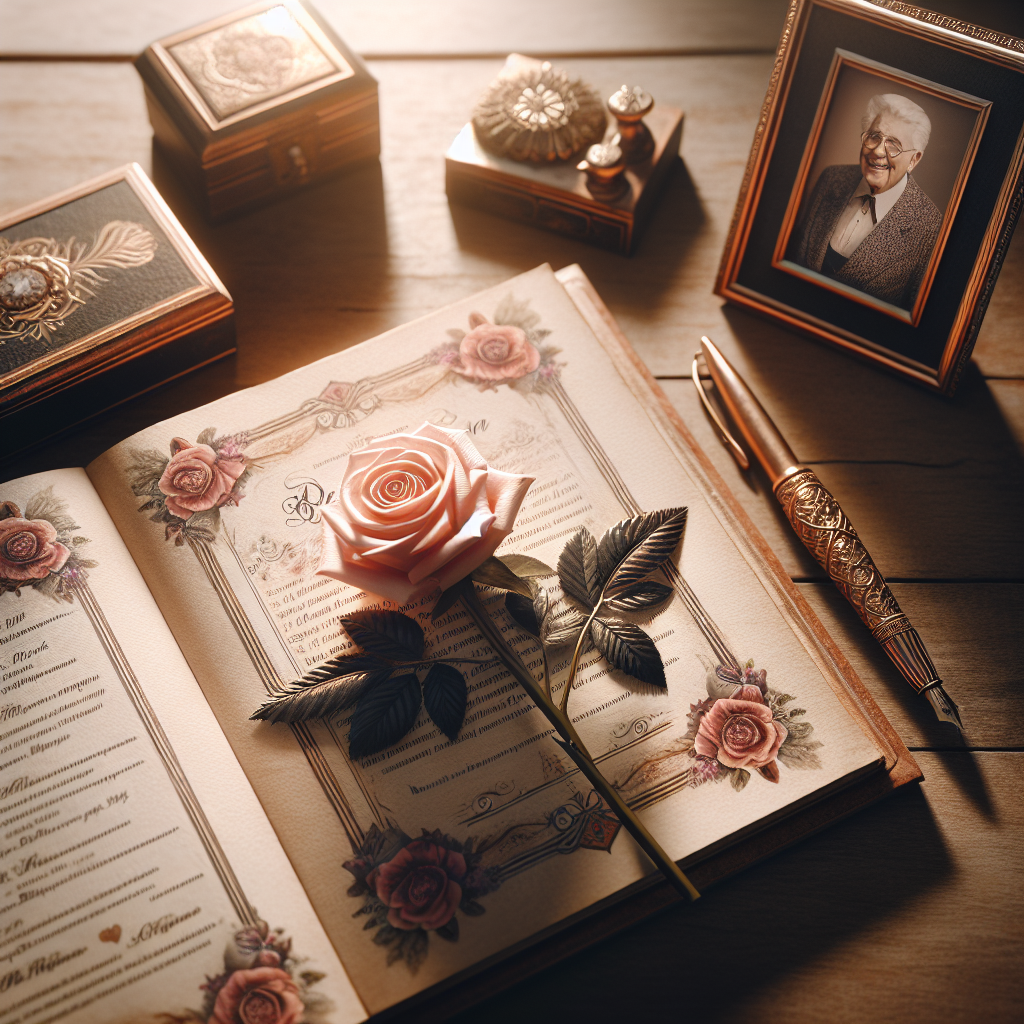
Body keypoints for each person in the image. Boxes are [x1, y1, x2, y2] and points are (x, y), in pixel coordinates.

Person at [788, 93, 942, 310]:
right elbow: (795, 259)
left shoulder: (930, 227)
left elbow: (912, 315)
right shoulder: (832, 179)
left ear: (914, 159)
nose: (878, 151)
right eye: (874, 136)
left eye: (893, 145)